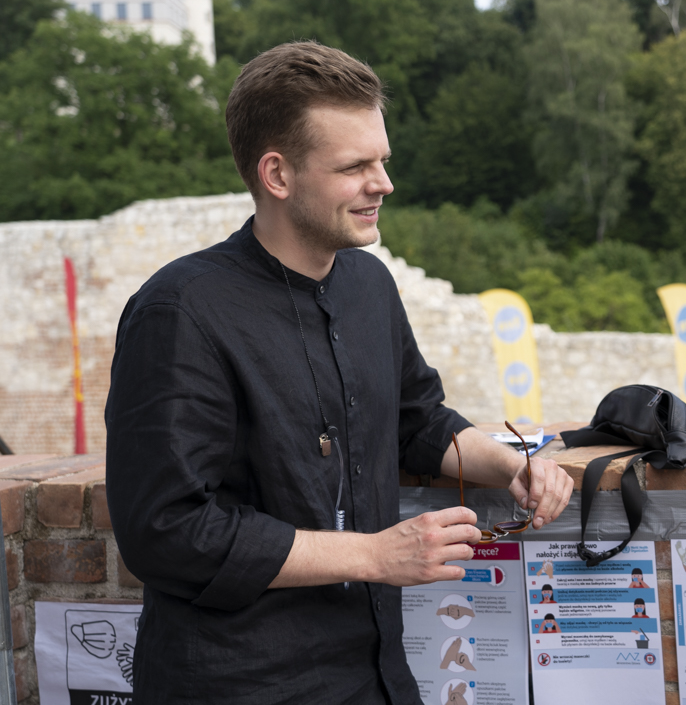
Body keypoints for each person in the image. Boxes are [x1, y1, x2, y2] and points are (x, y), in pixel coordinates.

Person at [104, 41, 574, 705]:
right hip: (241, 685)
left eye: (382, 161)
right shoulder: (180, 312)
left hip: (376, 675)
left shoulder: (368, 284)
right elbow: (165, 533)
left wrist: (511, 467)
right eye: (355, 166)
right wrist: (375, 556)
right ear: (277, 174)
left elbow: (417, 421)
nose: (383, 184)